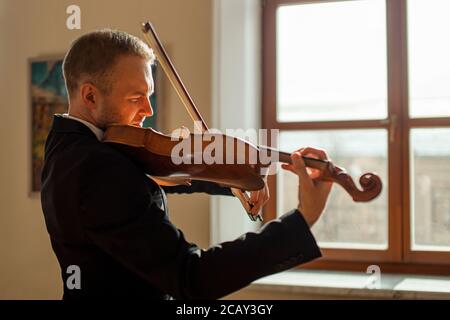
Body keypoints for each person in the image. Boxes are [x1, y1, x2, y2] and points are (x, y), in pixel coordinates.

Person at [40, 29, 332, 300]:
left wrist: (235, 177)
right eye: (135, 98)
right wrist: (302, 220)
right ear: (90, 95)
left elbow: (151, 172)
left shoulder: (67, 145)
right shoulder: (99, 168)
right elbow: (190, 277)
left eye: (149, 96)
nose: (148, 110)